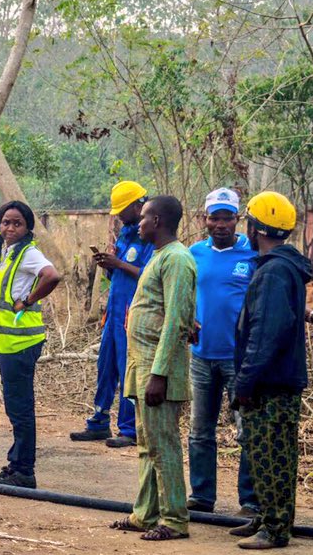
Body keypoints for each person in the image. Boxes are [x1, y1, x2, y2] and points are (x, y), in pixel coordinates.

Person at [228, 192, 313, 549]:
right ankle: (267, 517)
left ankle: (276, 529)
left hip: (271, 385)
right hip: (274, 381)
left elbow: (266, 331)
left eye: (248, 222)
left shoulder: (274, 272)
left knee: (272, 457)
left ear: (257, 228)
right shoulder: (280, 267)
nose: (246, 229)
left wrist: (245, 381)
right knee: (266, 454)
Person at [109, 195, 195, 541]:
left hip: (159, 370)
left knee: (163, 445)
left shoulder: (177, 258)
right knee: (147, 444)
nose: (139, 222)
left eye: (144, 217)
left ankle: (174, 520)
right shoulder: (160, 256)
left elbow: (176, 319)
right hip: (142, 364)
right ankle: (145, 514)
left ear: (157, 221)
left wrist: (159, 374)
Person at [186, 188, 259, 517]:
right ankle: (202, 496)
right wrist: (187, 320)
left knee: (247, 431)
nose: (220, 224)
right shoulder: (194, 254)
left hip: (238, 360)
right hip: (201, 357)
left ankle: (250, 501)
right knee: (200, 431)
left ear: (237, 219)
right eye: (214, 217)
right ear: (204, 219)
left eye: (227, 218)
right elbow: (184, 295)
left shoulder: (252, 255)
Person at [0, 201, 62, 488]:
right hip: (8, 342)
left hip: (21, 342)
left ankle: (24, 470)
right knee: (16, 407)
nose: (10, 228)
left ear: (27, 227)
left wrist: (28, 301)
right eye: (5, 222)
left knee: (20, 408)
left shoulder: (28, 253)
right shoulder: (8, 253)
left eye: (17, 223)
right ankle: (17, 464)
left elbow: (52, 275)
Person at [71, 180, 154, 448]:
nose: (118, 216)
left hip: (133, 314)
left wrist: (118, 263)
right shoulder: (125, 234)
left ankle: (129, 429)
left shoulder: (151, 237)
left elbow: (150, 275)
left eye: (122, 210)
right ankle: (99, 421)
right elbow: (118, 275)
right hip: (114, 313)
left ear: (138, 206)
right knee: (105, 367)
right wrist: (109, 265)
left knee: (127, 369)